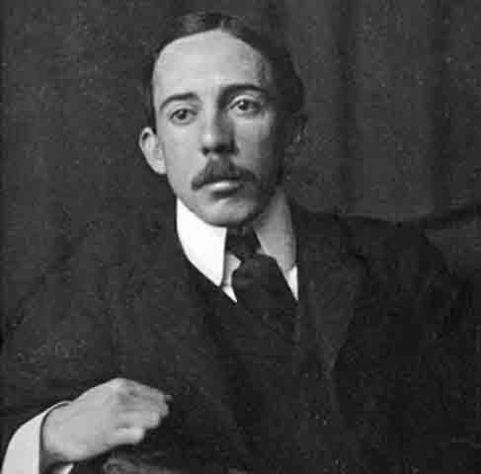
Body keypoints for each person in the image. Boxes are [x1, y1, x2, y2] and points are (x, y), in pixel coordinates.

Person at [1, 10, 468, 474]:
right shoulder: (98, 284)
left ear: (293, 133)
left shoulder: (397, 264)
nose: (214, 139)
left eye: (243, 105)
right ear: (155, 150)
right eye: (182, 114)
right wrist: (53, 433)